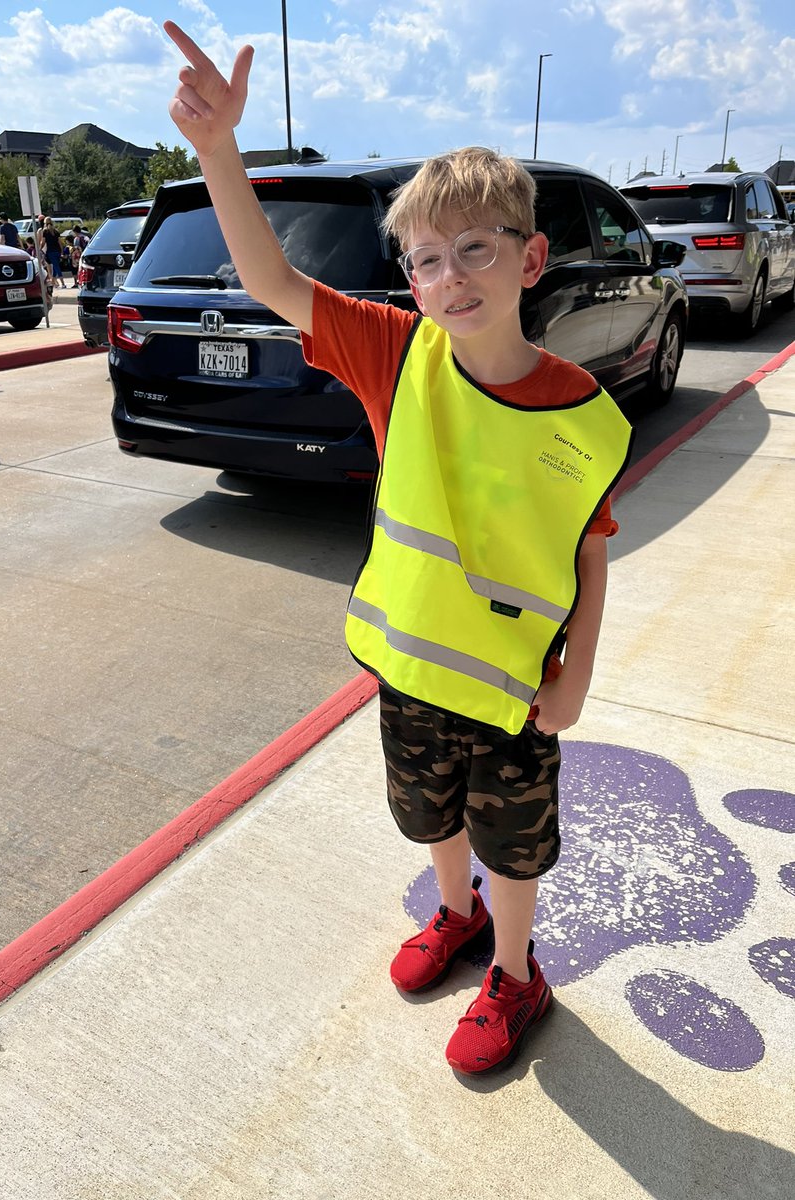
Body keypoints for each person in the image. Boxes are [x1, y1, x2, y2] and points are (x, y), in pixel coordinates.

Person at [163, 22, 633, 1076]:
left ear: (530, 255)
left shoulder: (586, 414)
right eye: (426, 258)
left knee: (513, 839)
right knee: (430, 818)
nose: (451, 275)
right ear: (409, 278)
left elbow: (592, 550)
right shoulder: (396, 355)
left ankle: (517, 970)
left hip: (515, 687)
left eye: (475, 248)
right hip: (412, 670)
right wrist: (217, 153)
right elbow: (276, 282)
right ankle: (456, 916)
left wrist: (578, 675)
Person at [40, 216, 65, 287]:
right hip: (57, 251)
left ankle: (62, 283)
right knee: (55, 267)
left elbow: (43, 242)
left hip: (51, 251)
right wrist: (62, 251)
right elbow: (60, 242)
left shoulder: (45, 231)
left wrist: (40, 249)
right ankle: (53, 282)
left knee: (56, 267)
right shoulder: (56, 231)